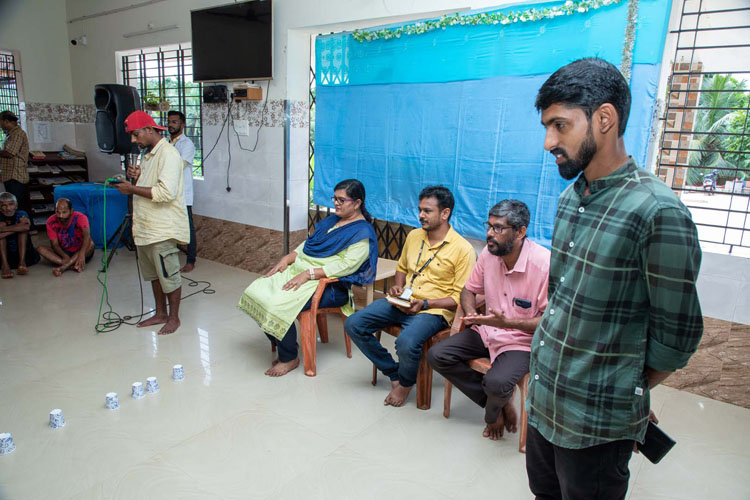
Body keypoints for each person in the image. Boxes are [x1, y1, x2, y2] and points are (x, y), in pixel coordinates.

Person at [527, 57, 703, 499]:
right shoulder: (570, 199)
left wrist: (625, 390)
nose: (549, 142)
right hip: (544, 403)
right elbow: (561, 299)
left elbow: (677, 337)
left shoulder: (656, 212)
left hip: (596, 425)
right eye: (546, 127)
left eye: (560, 126)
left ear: (604, 118)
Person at [427, 199, 549, 440]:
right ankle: (500, 404)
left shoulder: (544, 264)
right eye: (489, 226)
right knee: (437, 355)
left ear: (520, 232)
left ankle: (492, 416)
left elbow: (549, 323)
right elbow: (468, 290)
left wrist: (508, 324)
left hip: (522, 341)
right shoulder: (489, 254)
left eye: (498, 228)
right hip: (487, 331)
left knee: (497, 382)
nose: (490, 233)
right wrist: (471, 313)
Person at [345, 186, 476, 407]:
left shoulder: (463, 250)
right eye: (420, 210)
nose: (421, 215)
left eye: (427, 211)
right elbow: (402, 268)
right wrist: (398, 287)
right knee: (354, 323)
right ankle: (394, 372)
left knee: (406, 342)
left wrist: (424, 303)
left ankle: (405, 384)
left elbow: (458, 298)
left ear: (445, 213)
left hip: (433, 310)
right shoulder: (414, 236)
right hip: (402, 302)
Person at [239, 179, 378, 377]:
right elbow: (308, 245)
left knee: (277, 304)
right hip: (299, 272)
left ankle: (289, 357)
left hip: (329, 287)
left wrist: (308, 274)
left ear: (357, 203)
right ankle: (285, 341)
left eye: (341, 200)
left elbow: (346, 266)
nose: (336, 203)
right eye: (334, 198)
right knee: (257, 292)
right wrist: (288, 258)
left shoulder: (362, 233)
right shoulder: (331, 221)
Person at [115, 111, 189, 335]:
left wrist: (131, 188)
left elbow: (165, 192)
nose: (133, 140)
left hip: (162, 229)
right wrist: (137, 177)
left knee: (169, 276)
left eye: (136, 134)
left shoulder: (169, 154)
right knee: (154, 275)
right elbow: (151, 184)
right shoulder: (148, 155)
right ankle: (160, 313)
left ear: (149, 130)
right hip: (146, 228)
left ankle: (174, 318)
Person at [167, 110, 198, 273]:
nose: (171, 125)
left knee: (188, 227)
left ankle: (191, 260)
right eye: (169, 122)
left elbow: (179, 165)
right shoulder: (166, 143)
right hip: (167, 192)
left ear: (182, 124)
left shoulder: (187, 144)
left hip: (182, 194)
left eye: (174, 122)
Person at [37, 198, 95, 276]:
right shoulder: (51, 221)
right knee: (40, 249)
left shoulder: (81, 217)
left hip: (80, 251)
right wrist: (65, 256)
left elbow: (87, 236)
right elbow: (55, 245)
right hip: (64, 252)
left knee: (91, 243)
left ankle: (63, 267)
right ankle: (71, 265)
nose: (61, 216)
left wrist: (82, 253)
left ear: (71, 211)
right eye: (58, 212)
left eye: (64, 212)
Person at [0, 191, 39, 278]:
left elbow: (26, 228)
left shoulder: (21, 213)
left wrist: (2, 230)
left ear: (16, 205)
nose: (8, 208)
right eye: (4, 205)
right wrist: (18, 227)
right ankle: (5, 265)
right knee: (2, 228)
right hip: (5, 253)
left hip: (24, 252)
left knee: (23, 232)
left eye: (11, 204)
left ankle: (22, 262)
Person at [0, 111, 30, 210]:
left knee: (15, 206)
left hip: (16, 177)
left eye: (0, 122)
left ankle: (21, 220)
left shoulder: (18, 134)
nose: (0, 125)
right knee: (12, 206)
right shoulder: (10, 134)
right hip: (10, 176)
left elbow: (10, 153)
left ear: (6, 121)